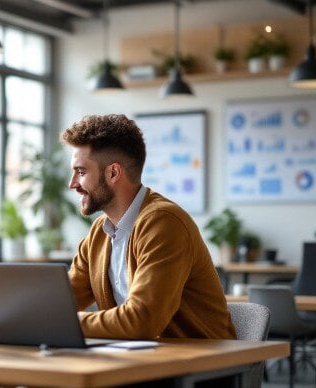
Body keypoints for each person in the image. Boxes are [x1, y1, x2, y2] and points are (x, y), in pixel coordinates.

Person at [61, 114, 236, 340]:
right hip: (139, 362)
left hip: (202, 368)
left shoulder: (164, 222)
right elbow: (61, 302)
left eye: (81, 172)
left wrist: (64, 321)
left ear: (113, 173)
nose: (72, 183)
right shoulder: (99, 233)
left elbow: (141, 321)